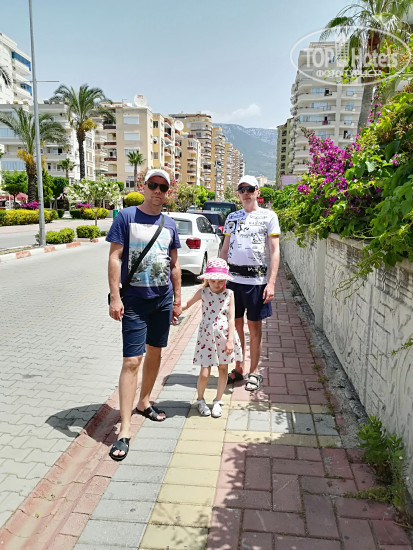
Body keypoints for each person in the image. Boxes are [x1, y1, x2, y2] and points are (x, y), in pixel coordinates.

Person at [106, 169, 182, 461]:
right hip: (134, 302)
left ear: (167, 192)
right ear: (144, 186)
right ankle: (125, 429)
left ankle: (144, 401)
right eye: (153, 185)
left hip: (162, 300)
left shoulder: (170, 224)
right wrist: (115, 297)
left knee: (155, 352)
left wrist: (177, 300)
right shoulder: (126, 217)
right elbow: (115, 257)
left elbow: (174, 265)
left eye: (163, 187)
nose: (158, 191)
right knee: (131, 361)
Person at [220, 175, 280, 392]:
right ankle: (239, 368)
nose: (246, 192)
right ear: (238, 193)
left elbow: (274, 251)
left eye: (250, 188)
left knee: (254, 328)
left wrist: (271, 283)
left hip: (256, 282)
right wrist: (219, 278)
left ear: (257, 192)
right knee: (235, 327)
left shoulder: (269, 216)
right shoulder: (232, 217)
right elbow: (225, 249)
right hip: (233, 282)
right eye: (242, 189)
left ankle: (254, 372)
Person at [181, 258, 242, 418]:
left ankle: (217, 400)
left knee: (223, 369)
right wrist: (176, 308)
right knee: (204, 372)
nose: (216, 284)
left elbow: (231, 319)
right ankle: (200, 400)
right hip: (206, 338)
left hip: (224, 337)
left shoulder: (229, 294)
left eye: (220, 281)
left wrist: (230, 341)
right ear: (207, 279)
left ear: (225, 280)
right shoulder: (203, 293)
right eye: (213, 281)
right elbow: (187, 304)